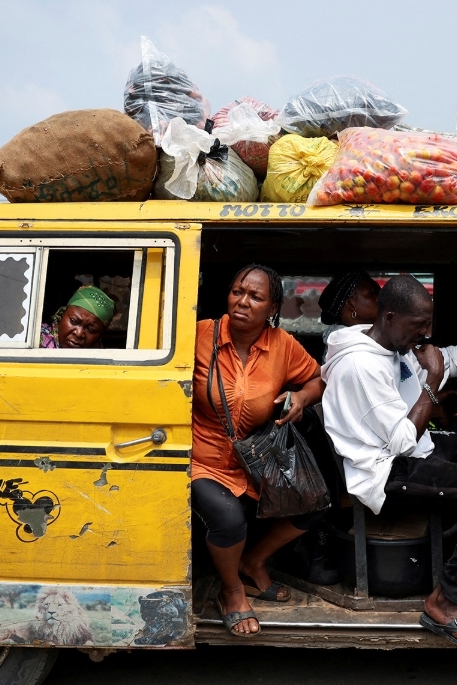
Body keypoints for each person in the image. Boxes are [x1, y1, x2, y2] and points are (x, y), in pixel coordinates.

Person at [321, 274, 457, 655]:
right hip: (385, 472)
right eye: (418, 326)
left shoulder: (394, 342)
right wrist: (433, 380)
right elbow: (401, 440)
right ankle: (445, 600)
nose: (425, 333)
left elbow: (452, 359)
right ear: (391, 317)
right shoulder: (361, 366)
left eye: (427, 324)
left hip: (415, 450)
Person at [192, 264, 327, 637]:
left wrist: (300, 396)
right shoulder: (200, 334)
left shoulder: (282, 345)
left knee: (316, 502)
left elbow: (317, 378)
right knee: (229, 518)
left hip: (257, 462)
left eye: (255, 296)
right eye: (238, 292)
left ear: (272, 308)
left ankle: (254, 561)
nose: (243, 301)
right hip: (202, 459)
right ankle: (232, 592)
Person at [318, 271, 381, 359]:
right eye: (371, 294)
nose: (379, 298)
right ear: (350, 305)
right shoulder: (351, 349)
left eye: (379, 293)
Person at [40, 286, 115, 349]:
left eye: (90, 329)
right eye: (73, 321)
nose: (78, 334)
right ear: (62, 314)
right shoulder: (37, 340)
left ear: (100, 335)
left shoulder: (99, 351)